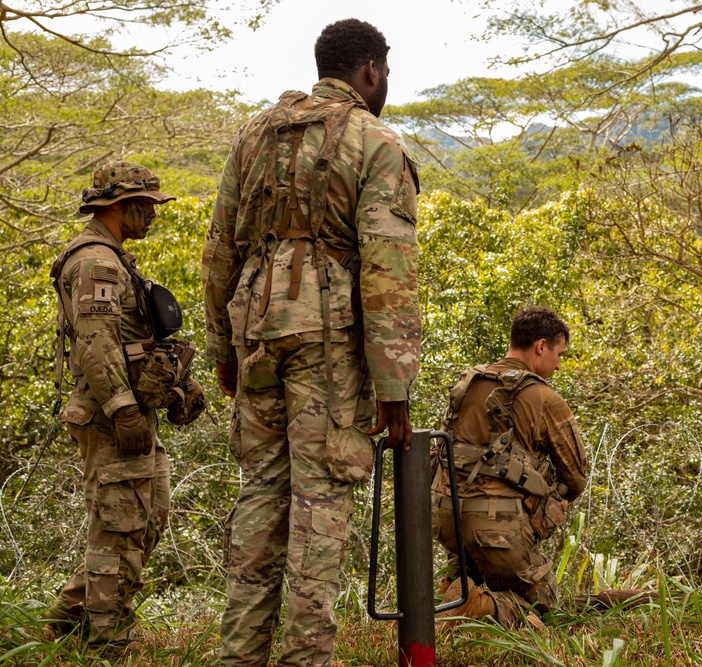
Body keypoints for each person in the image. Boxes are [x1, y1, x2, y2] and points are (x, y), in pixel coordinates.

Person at [201, 18, 420, 667]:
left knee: (261, 499)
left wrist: (222, 349)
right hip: (327, 345)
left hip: (257, 332)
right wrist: (395, 386)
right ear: (370, 72)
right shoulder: (374, 140)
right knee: (320, 509)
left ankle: (239, 655)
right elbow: (386, 272)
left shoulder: (255, 133)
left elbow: (219, 251)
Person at [46, 161, 204, 651]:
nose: (154, 216)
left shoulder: (113, 258)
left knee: (147, 517)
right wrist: (122, 408)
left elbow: (128, 339)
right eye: (148, 206)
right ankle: (107, 642)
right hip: (110, 416)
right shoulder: (96, 262)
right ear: (119, 205)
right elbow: (96, 343)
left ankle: (68, 616)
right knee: (119, 528)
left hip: (129, 410)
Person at [432, 306, 588, 627]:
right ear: (541, 346)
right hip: (495, 528)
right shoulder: (543, 396)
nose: (559, 364)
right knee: (545, 606)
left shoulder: (469, 382)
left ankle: (455, 583)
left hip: (443, 517)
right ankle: (479, 604)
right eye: (558, 354)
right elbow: (576, 476)